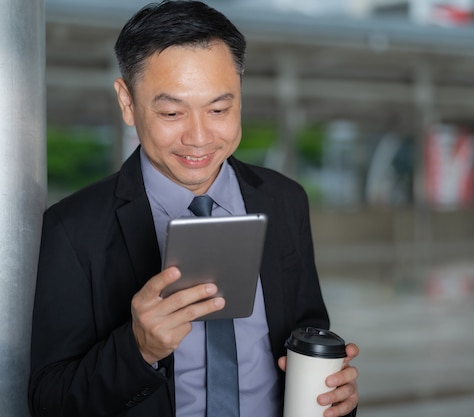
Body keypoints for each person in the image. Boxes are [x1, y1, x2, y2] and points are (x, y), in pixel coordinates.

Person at [28, 1, 359, 416]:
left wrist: (333, 391)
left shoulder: (285, 200)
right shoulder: (72, 230)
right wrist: (137, 349)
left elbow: (308, 335)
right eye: (171, 112)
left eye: (219, 109)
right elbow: (49, 400)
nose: (199, 137)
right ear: (127, 101)